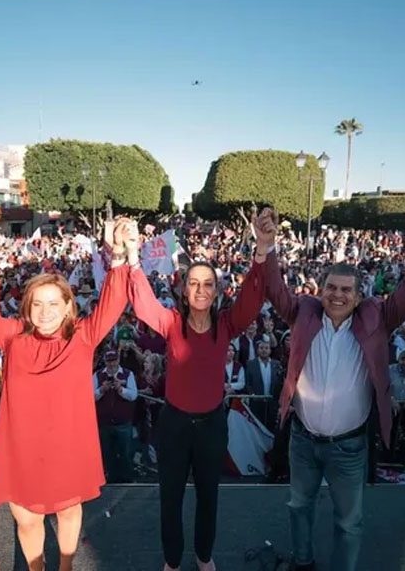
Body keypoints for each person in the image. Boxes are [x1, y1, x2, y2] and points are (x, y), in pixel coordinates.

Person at [264, 197, 405, 571]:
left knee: (349, 522)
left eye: (347, 289)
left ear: (359, 296)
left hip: (348, 447)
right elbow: (273, 288)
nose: (338, 295)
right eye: (332, 287)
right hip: (302, 440)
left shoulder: (377, 318)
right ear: (321, 288)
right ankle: (302, 562)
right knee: (298, 507)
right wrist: (265, 245)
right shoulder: (302, 312)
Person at [0, 221, 133, 571]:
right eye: (37, 304)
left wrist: (118, 252)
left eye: (54, 303)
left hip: (68, 446)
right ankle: (36, 567)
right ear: (26, 309)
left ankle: (66, 565)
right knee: (27, 519)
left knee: (69, 512)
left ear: (69, 306)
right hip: (22, 449)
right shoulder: (13, 337)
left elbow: (115, 302)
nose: (45, 312)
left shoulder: (83, 336)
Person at [125, 212, 270, 571]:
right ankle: (172, 561)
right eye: (194, 283)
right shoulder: (171, 323)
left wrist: (262, 252)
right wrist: (131, 255)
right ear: (183, 289)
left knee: (209, 497)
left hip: (211, 426)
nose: (201, 290)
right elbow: (143, 303)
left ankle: (204, 557)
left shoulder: (226, 325)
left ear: (217, 291)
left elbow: (251, 302)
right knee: (169, 499)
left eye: (208, 284)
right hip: (173, 425)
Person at [94, 349, 139, 483]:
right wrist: (102, 390)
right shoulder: (97, 375)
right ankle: (110, 478)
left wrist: (121, 390)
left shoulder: (128, 374)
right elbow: (91, 396)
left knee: (125, 452)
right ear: (105, 362)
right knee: (107, 452)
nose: (112, 364)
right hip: (105, 422)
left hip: (123, 422)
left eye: (114, 361)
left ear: (118, 360)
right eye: (109, 361)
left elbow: (133, 395)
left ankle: (126, 478)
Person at [245, 338, 284, 430]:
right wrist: (252, 395)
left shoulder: (276, 364)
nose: (264, 350)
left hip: (272, 401)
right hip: (257, 401)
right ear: (257, 350)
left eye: (266, 348)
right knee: (257, 426)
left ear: (270, 350)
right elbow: (248, 383)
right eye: (261, 348)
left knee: (271, 426)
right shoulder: (251, 364)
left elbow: (280, 382)